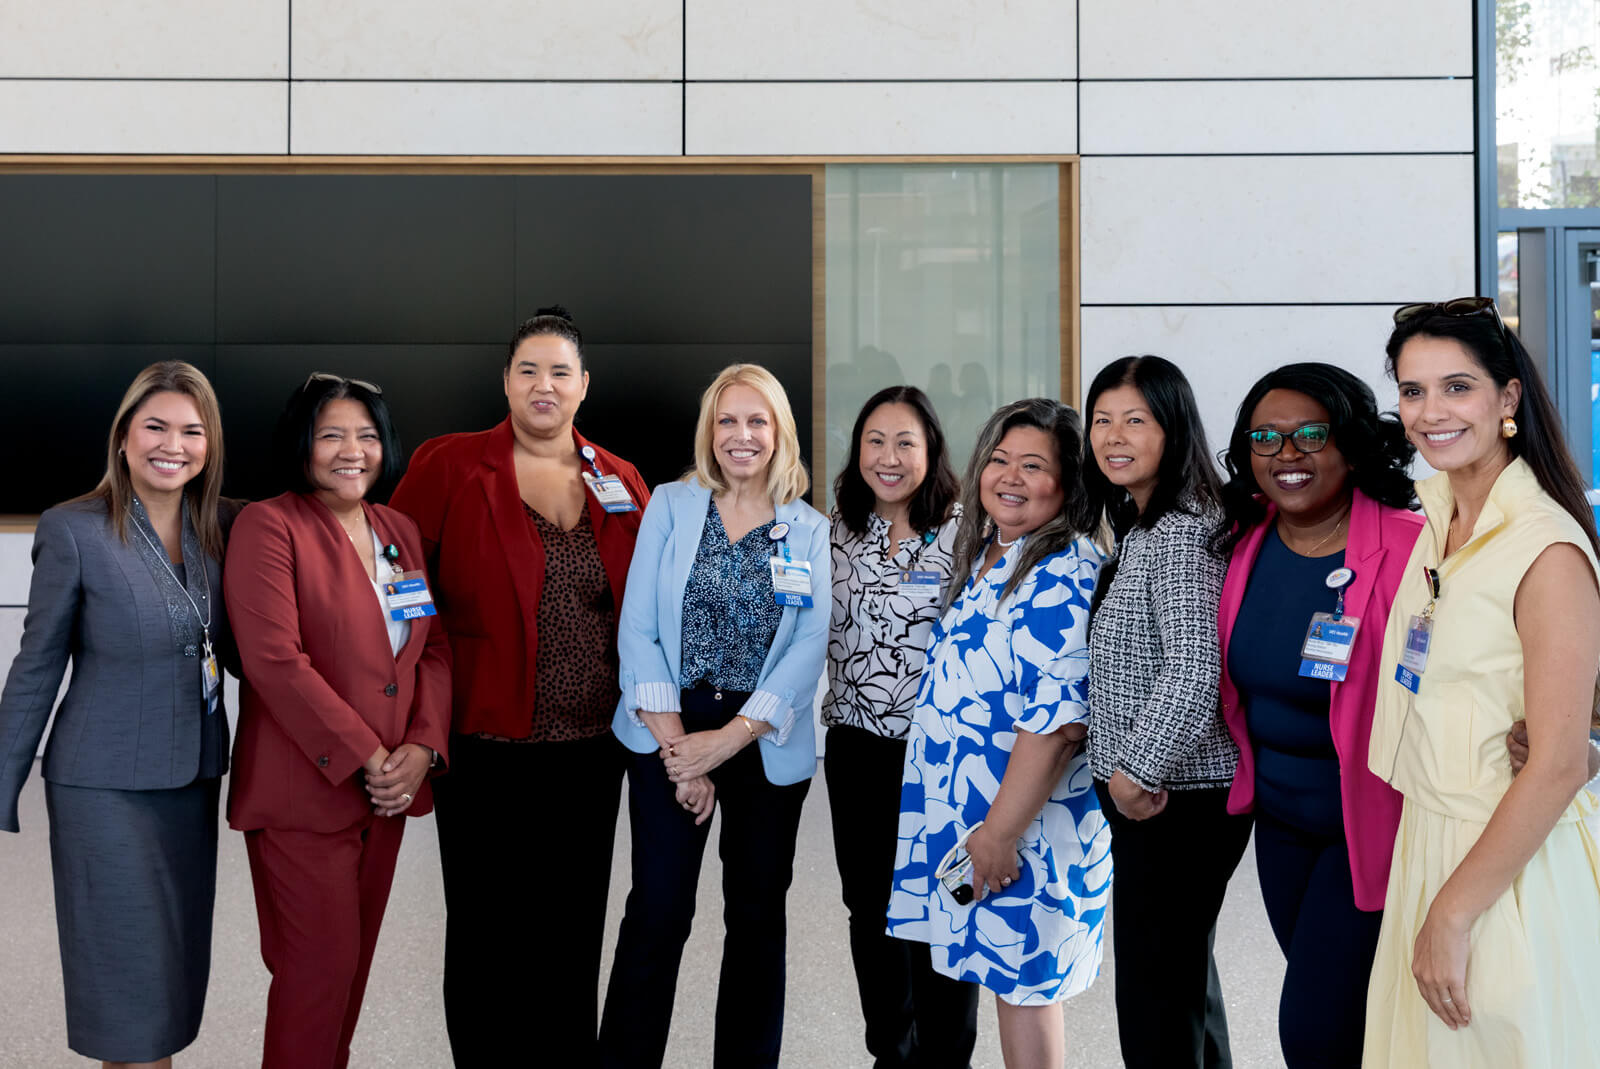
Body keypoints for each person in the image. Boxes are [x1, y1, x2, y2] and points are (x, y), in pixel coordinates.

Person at [388, 306, 648, 1066]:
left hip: (590, 749)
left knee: (571, 929)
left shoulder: (618, 478)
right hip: (484, 741)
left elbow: (646, 607)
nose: (544, 384)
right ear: (504, 381)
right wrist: (407, 718)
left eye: (560, 371)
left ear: (584, 385)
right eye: (528, 369)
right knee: (485, 929)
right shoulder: (448, 465)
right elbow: (398, 587)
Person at [1364, 298, 1600, 1067]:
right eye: (1412, 389)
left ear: (1507, 398)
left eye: (1456, 387)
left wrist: (1453, 914)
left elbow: (1561, 760)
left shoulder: (1545, 548)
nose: (1430, 411)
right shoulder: (1436, 517)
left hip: (1506, 868)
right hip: (1428, 842)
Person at [0, 361, 231, 1069]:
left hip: (191, 778)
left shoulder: (222, 525)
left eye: (193, 430)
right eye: (156, 425)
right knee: (126, 984)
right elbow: (37, 662)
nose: (174, 444)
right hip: (104, 784)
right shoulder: (75, 529)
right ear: (124, 436)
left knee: (170, 975)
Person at [598, 364, 828, 1069]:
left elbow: (807, 648)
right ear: (709, 431)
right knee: (659, 909)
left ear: (780, 432)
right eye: (727, 420)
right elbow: (638, 629)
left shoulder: (808, 527)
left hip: (760, 734)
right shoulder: (671, 504)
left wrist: (723, 745)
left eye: (757, 421)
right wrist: (680, 752)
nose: (741, 435)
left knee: (756, 916)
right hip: (670, 721)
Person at [225, 374, 451, 1069]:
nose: (352, 450)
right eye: (332, 435)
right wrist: (370, 755)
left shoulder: (397, 531)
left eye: (366, 435)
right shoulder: (270, 525)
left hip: (384, 797)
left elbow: (432, 648)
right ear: (304, 444)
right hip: (304, 791)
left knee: (346, 979)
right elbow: (274, 662)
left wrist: (421, 745)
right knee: (315, 974)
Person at [887, 398, 1111, 1069]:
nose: (1010, 477)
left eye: (1034, 466)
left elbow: (1057, 725)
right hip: (970, 815)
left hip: (1025, 827)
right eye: (1000, 460)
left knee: (1027, 988)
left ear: (1069, 482)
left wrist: (999, 833)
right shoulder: (992, 551)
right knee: (1000, 980)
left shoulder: (1066, 571)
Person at [1211, 363, 1421, 1068]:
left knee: (1312, 1032)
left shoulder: (1409, 543)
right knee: (1348, 1024)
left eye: (1309, 435)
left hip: (1367, 825)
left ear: (1352, 444)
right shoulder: (1243, 541)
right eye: (1265, 437)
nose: (1285, 454)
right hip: (1281, 823)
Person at [1082, 355, 1250, 1069]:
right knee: (1181, 983)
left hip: (1174, 797)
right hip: (1164, 794)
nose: (1113, 435)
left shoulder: (1181, 530)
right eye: (1101, 419)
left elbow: (1193, 670)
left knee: (1155, 999)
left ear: (1172, 427)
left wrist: (1132, 769)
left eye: (1135, 420)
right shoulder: (1145, 521)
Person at [823, 385, 978, 1067]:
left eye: (905, 442)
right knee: (871, 907)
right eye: (875, 442)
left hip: (939, 753)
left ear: (931, 450)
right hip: (855, 748)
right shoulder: (833, 529)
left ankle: (945, 1054)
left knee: (944, 906)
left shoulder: (967, 530)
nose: (888, 457)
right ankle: (891, 1048)